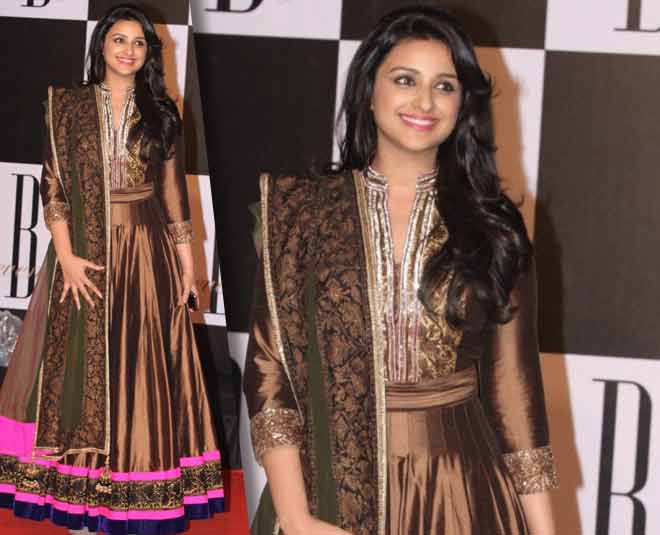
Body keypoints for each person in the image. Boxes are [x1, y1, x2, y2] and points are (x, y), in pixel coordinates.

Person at [243, 5, 558, 535]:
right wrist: (296, 517)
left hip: (462, 491)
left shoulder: (493, 227)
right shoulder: (303, 214)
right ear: (370, 90)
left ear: (463, 103)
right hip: (328, 491)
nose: (424, 102)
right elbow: (269, 372)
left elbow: (515, 395)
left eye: (444, 86)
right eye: (405, 80)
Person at [0, 4, 224, 534]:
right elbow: (53, 187)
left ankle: (128, 496)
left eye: (139, 43)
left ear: (149, 54)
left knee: (139, 374)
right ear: (100, 44)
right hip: (83, 256)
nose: (128, 50)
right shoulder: (66, 105)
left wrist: (187, 270)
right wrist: (67, 257)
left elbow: (173, 197)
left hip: (146, 253)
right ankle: (79, 498)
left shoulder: (162, 111)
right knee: (80, 369)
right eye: (119, 39)